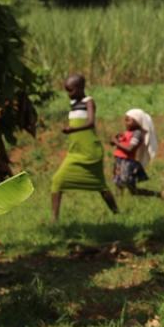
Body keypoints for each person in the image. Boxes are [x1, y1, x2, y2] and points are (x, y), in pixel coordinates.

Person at [51, 74, 118, 222]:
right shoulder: (74, 103)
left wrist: (72, 130)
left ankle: (117, 213)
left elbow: (90, 123)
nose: (69, 94)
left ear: (81, 88)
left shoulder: (89, 101)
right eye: (66, 90)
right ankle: (54, 221)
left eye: (71, 90)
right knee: (57, 181)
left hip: (90, 151)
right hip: (75, 151)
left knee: (100, 185)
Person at [111, 109, 164, 200]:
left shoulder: (137, 134)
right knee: (119, 185)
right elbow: (116, 144)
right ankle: (119, 204)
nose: (125, 123)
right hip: (119, 160)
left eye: (128, 120)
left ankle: (159, 194)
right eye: (125, 120)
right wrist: (115, 140)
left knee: (130, 189)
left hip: (127, 163)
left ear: (136, 122)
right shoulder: (127, 132)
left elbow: (130, 149)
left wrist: (117, 143)